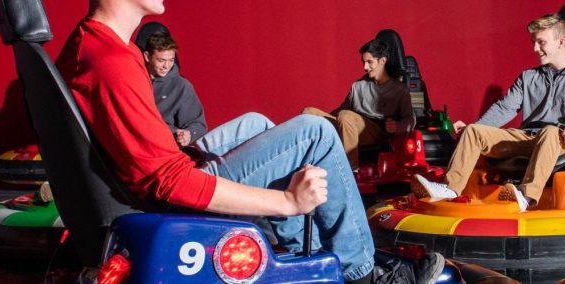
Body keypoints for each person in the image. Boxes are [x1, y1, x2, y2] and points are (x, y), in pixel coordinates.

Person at [53, 0, 442, 283]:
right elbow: (169, 183)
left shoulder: (93, 43)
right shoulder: (113, 64)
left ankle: (291, 244)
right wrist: (287, 201)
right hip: (172, 195)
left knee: (256, 122)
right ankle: (363, 271)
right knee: (316, 131)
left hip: (170, 170)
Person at [412, 13, 565, 212]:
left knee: (549, 131)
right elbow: (504, 108)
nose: (535, 48)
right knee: (472, 131)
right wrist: (476, 126)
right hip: (526, 136)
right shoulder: (528, 77)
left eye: (541, 42)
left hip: (559, 139)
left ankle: (525, 196)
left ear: (560, 42)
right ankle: (451, 189)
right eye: (534, 42)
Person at [303, 38, 415, 169]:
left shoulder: (399, 90)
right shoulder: (358, 86)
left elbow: (410, 120)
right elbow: (339, 112)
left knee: (346, 116)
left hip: (377, 131)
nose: (365, 67)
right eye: (363, 62)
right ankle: (307, 165)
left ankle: (350, 170)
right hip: (350, 124)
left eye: (369, 62)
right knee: (308, 112)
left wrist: (397, 126)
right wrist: (325, 121)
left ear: (382, 61)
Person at [142, 31, 207, 147]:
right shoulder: (133, 77)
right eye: (161, 60)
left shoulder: (182, 86)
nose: (166, 66)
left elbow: (198, 125)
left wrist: (189, 134)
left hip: (163, 146)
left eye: (171, 60)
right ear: (147, 56)